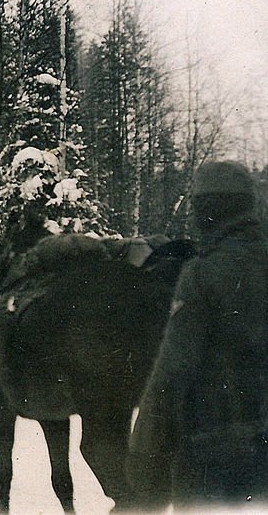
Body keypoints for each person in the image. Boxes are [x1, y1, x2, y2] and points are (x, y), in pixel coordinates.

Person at [129, 160, 268, 509]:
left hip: (215, 458)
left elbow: (172, 372)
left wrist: (143, 456)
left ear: (207, 212)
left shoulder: (201, 274)